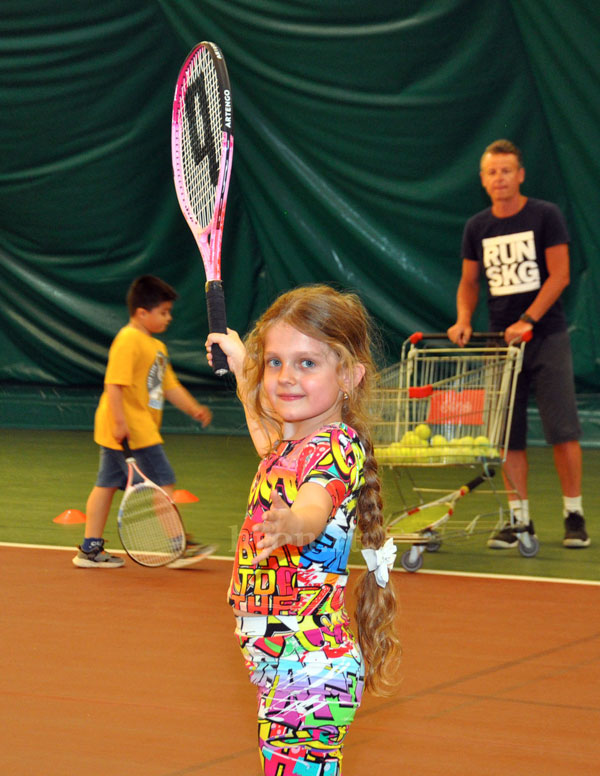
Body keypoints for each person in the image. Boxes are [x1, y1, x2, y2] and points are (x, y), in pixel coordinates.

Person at [206, 284, 401, 775]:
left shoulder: (336, 447)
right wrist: (241, 367)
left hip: (310, 667)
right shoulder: (293, 443)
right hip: (281, 655)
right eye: (275, 362)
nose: (286, 377)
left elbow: (316, 500)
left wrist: (296, 523)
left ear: (350, 376)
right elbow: (265, 436)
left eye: (307, 363)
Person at [448, 139, 589, 549]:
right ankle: (518, 521)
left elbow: (560, 275)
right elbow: (469, 282)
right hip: (500, 346)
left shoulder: (545, 215)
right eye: (492, 172)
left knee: (563, 430)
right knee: (508, 437)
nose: (499, 179)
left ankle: (573, 515)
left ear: (520, 174)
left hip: (547, 339)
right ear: (483, 180)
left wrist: (529, 320)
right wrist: (462, 319)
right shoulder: (477, 226)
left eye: (506, 171)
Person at [73, 275, 215, 568]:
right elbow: (114, 384)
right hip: (131, 431)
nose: (169, 317)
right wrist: (120, 422)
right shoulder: (128, 340)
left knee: (106, 485)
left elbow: (170, 386)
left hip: (131, 430)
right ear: (141, 313)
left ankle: (89, 549)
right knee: (164, 483)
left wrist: (194, 408)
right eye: (163, 312)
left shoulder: (158, 348)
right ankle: (179, 547)